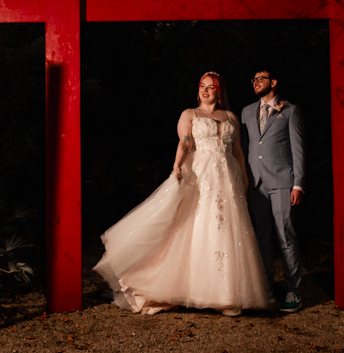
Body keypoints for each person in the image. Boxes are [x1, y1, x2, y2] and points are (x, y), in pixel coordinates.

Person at [93, 72, 270, 316]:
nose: (206, 90)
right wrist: (177, 165)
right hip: (203, 175)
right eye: (202, 86)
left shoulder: (230, 116)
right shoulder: (190, 114)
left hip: (228, 178)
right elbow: (185, 142)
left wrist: (245, 178)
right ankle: (196, 290)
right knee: (201, 225)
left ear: (220, 92)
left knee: (230, 229)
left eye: (211, 87)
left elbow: (237, 150)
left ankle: (228, 294)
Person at [241, 69, 305, 313]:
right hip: (256, 185)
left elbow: (298, 149)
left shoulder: (290, 110)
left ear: (274, 82)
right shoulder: (247, 111)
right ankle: (266, 287)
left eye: (261, 78)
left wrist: (298, 183)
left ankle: (293, 291)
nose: (256, 82)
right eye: (254, 79)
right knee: (262, 240)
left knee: (286, 237)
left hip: (282, 182)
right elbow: (246, 148)